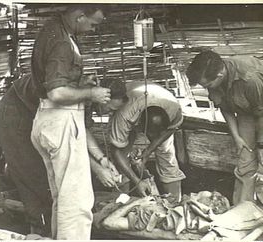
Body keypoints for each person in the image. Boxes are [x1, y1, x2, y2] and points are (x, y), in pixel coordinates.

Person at [27, 5, 112, 240]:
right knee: (76, 203)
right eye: (93, 24)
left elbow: (55, 79)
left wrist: (80, 82)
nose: (93, 30)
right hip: (59, 120)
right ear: (79, 16)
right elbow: (56, 93)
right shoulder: (63, 43)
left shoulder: (53, 30)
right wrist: (91, 93)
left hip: (47, 121)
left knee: (63, 198)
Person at [186, 50, 263, 205]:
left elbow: (261, 114)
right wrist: (237, 138)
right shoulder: (213, 76)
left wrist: (261, 145)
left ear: (220, 75)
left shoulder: (250, 78)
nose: (206, 88)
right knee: (245, 161)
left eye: (207, 85)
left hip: (260, 108)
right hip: (247, 109)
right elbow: (225, 108)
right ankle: (242, 209)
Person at [102, 79, 186, 202]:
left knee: (166, 156)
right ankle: (121, 202)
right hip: (133, 104)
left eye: (155, 135)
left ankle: (175, 205)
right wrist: (137, 181)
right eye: (149, 134)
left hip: (153, 101)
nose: (151, 138)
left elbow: (171, 129)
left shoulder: (174, 109)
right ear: (140, 125)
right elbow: (117, 151)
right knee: (122, 159)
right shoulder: (124, 115)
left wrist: (147, 152)